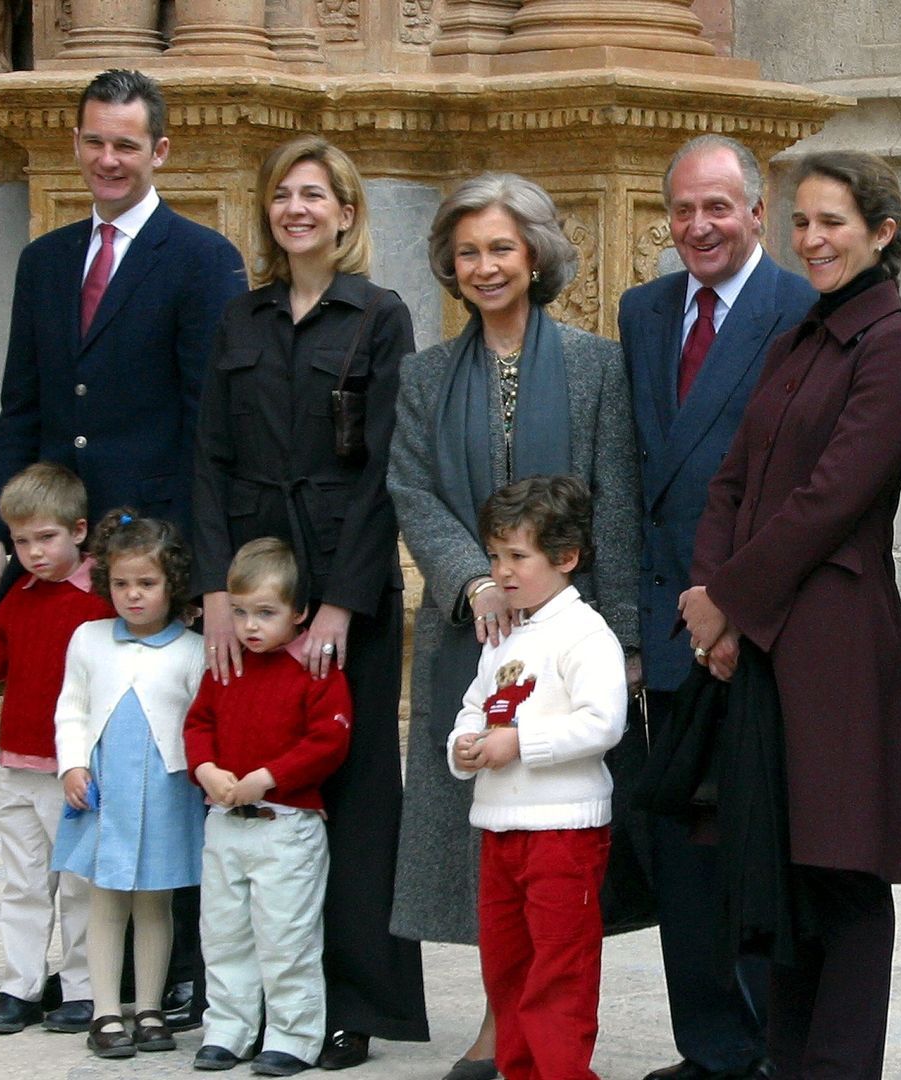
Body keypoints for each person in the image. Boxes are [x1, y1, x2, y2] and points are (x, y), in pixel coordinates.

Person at [0, 68, 243, 1032]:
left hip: (149, 557)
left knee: (161, 757)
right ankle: (65, 970)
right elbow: (23, 407)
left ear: (161, 150)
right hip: (57, 559)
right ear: (77, 144)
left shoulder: (200, 259)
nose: (108, 159)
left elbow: (209, 420)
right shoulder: (45, 261)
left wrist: (202, 567)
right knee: (71, 760)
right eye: (94, 141)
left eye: (127, 143)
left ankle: (177, 967)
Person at [680, 150, 901, 1079]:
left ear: (881, 233)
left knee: (844, 872)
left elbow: (832, 498)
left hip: (837, 644)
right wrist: (709, 600)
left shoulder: (895, 347)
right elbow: (734, 479)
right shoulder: (797, 340)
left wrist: (728, 603)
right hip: (764, 640)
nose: (813, 240)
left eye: (832, 223)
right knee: (782, 871)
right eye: (802, 224)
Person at [388, 172, 641, 1080]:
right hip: (472, 632)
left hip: (570, 633)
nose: (485, 266)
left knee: (552, 856)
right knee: (481, 853)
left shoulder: (595, 364)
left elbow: (612, 507)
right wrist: (472, 581)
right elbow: (411, 487)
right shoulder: (422, 375)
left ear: (535, 252)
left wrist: (627, 637)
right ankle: (500, 1024)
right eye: (468, 252)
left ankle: (552, 1036)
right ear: (449, 268)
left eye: (501, 247)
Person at [191, 134, 428, 1071]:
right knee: (253, 784)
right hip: (250, 587)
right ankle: (240, 1005)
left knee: (355, 792)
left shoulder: (379, 315)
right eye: (283, 195)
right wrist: (214, 590)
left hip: (341, 590)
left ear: (347, 213)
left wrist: (341, 602)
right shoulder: (239, 320)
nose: (297, 209)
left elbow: (384, 470)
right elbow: (207, 456)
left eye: (315, 195)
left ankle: (353, 1005)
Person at [618, 133, 814, 1080]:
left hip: (754, 623)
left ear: (756, 210)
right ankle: (709, 1046)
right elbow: (636, 471)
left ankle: (769, 1045)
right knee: (682, 851)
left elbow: (797, 487)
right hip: (665, 624)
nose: (700, 227)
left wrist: (733, 606)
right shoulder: (643, 311)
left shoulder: (799, 309)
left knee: (754, 844)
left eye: (719, 208)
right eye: (684, 210)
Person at [448, 476, 630, 1080]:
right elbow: (477, 703)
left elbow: (604, 722)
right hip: (502, 828)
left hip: (563, 832)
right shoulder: (508, 633)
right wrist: (466, 744)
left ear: (566, 557)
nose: (501, 572)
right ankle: (520, 1069)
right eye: (495, 556)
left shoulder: (585, 633)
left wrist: (519, 743)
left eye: (517, 556)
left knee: (560, 969)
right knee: (506, 966)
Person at [185, 538, 354, 1076]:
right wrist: (205, 768)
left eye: (265, 613)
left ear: (298, 612)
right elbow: (198, 725)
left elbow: (328, 740)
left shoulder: (314, 670)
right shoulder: (225, 667)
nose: (249, 626)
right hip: (224, 823)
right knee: (224, 932)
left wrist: (270, 777)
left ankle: (293, 1035)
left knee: (286, 936)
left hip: (286, 825)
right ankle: (229, 1029)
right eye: (239, 612)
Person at [0, 463, 114, 1035]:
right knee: (24, 882)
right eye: (22, 541)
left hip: (74, 769)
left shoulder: (102, 596)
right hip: (18, 766)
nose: (33, 553)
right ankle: (19, 986)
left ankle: (79, 987)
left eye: (46, 538)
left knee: (78, 884)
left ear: (78, 530)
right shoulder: (20, 597)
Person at [51, 512, 207, 1059]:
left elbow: (200, 720)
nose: (133, 595)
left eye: (147, 584)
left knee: (155, 902)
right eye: (122, 584)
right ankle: (104, 1013)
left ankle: (149, 1007)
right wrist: (72, 764)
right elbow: (70, 707)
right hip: (105, 792)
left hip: (167, 790)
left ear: (173, 585)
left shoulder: (193, 649)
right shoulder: (89, 639)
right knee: (107, 900)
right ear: (105, 583)